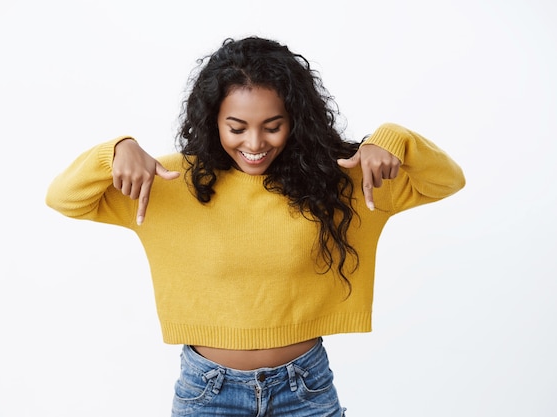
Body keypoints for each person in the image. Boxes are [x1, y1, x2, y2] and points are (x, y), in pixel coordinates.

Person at [46, 36, 465, 416]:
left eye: (272, 126)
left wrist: (392, 139)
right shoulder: (170, 182)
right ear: (214, 120)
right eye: (237, 127)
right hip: (208, 392)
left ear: (295, 120)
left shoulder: (337, 179)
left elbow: (447, 180)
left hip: (305, 390)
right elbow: (64, 198)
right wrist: (117, 150)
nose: (254, 143)